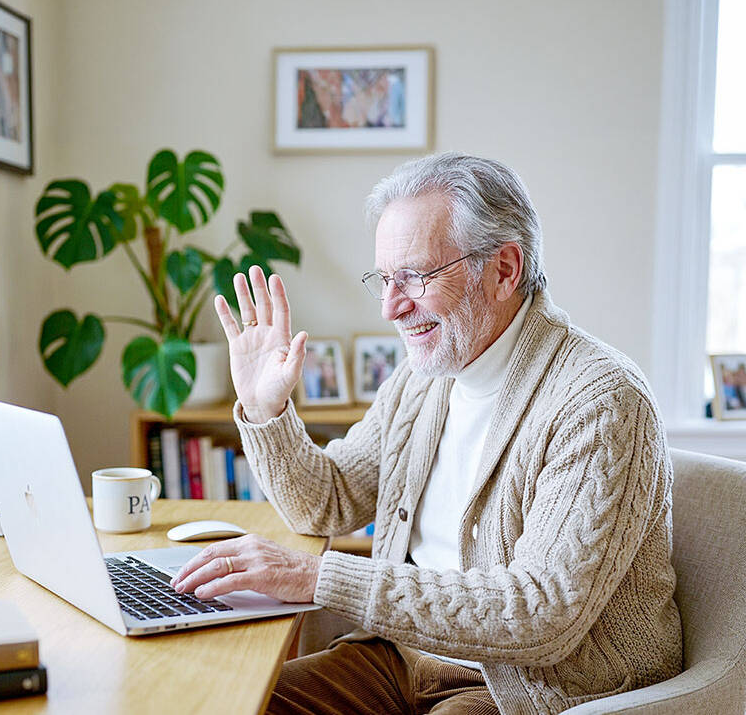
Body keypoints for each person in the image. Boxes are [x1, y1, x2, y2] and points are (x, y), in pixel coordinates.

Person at [170, 152, 682, 714]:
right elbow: (330, 501)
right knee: (229, 701)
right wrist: (266, 409)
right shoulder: (424, 377)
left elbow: (540, 615)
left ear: (504, 270)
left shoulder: (600, 399)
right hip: (402, 657)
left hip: (532, 686)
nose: (391, 307)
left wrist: (322, 578)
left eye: (414, 277)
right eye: (385, 279)